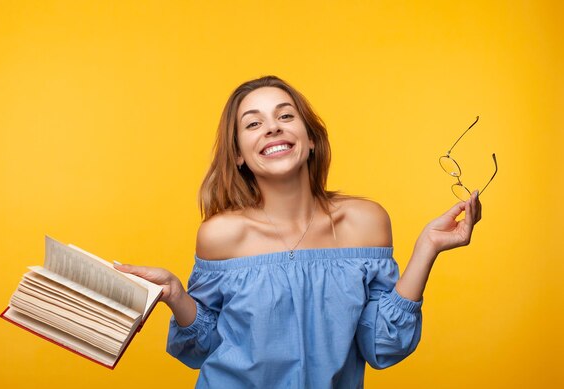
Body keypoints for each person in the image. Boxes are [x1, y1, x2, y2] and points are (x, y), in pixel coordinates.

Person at [114, 75, 482, 388]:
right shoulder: (220, 234)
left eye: (285, 116)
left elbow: (381, 346)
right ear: (239, 153)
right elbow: (204, 348)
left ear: (310, 140)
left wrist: (427, 248)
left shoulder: (365, 222)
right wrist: (177, 295)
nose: (273, 127)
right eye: (253, 123)